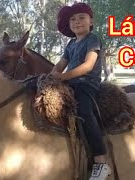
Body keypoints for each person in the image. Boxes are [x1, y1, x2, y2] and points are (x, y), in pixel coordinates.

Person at [50, 2, 111, 180]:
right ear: (69, 25)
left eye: (81, 18)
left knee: (84, 111)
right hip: (70, 83)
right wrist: (51, 75)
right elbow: (60, 64)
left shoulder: (93, 39)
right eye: (73, 19)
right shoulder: (70, 44)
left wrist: (63, 76)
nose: (77, 22)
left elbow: (87, 65)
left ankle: (101, 161)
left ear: (91, 22)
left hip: (86, 83)